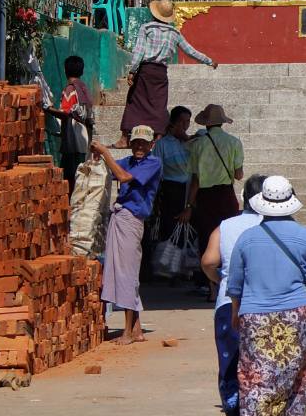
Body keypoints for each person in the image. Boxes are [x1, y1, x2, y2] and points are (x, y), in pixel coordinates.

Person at [227, 176, 306, 416]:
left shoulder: (247, 238)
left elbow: (234, 284)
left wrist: (236, 315)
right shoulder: (304, 236)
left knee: (252, 374)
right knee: (295, 373)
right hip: (294, 314)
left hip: (254, 315)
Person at [200, 174, 266, 416]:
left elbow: (208, 261)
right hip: (266, 304)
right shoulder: (277, 227)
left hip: (228, 303)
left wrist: (219, 281)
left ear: (243, 198)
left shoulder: (226, 226)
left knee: (231, 364)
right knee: (264, 363)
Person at [95, 124, 162, 344]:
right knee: (121, 271)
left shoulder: (153, 162)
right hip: (120, 216)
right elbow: (112, 169)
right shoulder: (129, 161)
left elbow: (122, 177)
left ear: (152, 145)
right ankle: (137, 329)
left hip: (132, 219)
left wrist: (105, 152)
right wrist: (99, 156)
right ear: (130, 144)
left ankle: (127, 333)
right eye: (136, 143)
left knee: (127, 274)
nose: (139, 147)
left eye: (143, 143)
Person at [122, 0, 216, 136]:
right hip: (161, 72)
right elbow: (190, 51)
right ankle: (159, 135)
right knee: (159, 104)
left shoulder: (147, 28)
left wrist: (132, 70)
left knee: (134, 100)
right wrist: (209, 61)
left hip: (145, 70)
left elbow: (139, 51)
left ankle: (125, 136)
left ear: (154, 14)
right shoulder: (175, 33)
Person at [184, 104, 245, 253]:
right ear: (222, 122)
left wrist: (189, 205)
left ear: (205, 123)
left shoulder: (197, 145)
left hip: (205, 197)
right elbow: (239, 175)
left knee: (207, 235)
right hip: (226, 194)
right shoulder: (234, 142)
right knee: (228, 235)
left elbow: (195, 180)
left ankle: (208, 273)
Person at [145, 105, 194, 282]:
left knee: (189, 230)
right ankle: (169, 268)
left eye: (187, 121)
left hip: (190, 189)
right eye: (181, 122)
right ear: (173, 123)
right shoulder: (163, 144)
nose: (185, 125)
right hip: (171, 188)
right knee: (170, 227)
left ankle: (186, 269)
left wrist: (186, 138)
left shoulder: (192, 142)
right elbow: (158, 171)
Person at [45, 54, 94, 189]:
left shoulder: (70, 89)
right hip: (83, 134)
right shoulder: (83, 88)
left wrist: (48, 109)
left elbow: (65, 113)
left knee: (71, 173)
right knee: (79, 169)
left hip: (73, 135)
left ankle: (69, 201)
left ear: (65, 71)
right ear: (82, 71)